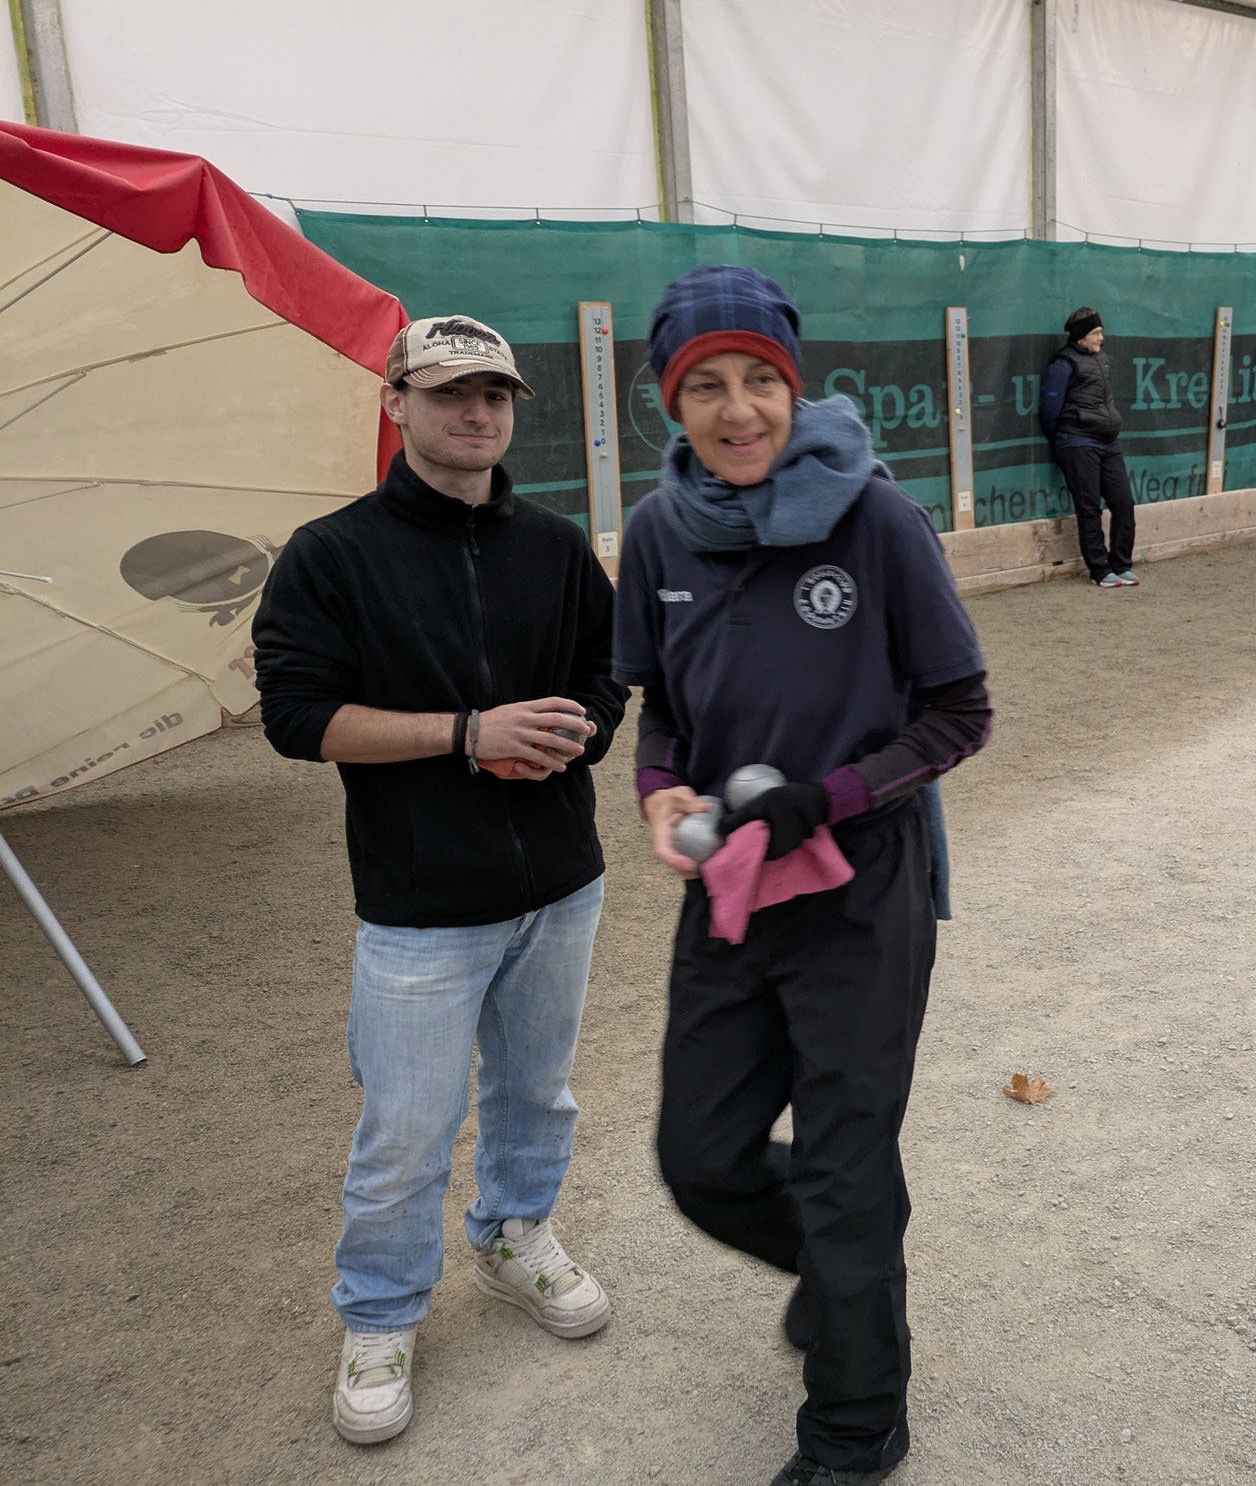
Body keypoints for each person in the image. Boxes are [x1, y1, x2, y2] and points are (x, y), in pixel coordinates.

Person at [615, 265, 993, 1486]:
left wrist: (825, 797)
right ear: (669, 403)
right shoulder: (658, 528)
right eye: (705, 387)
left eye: (759, 382)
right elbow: (662, 710)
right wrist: (659, 786)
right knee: (701, 1156)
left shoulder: (876, 518)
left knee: (842, 1168)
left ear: (794, 385)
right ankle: (839, 1285)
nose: (737, 411)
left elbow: (958, 714)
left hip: (858, 887)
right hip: (729, 885)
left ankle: (854, 1427)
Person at [253, 315, 627, 1446]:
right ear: (395, 403)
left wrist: (573, 732)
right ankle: (379, 1314)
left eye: (495, 395)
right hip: (421, 905)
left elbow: (605, 672)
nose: (477, 413)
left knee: (537, 1094)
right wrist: (467, 733)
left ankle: (514, 1236)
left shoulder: (555, 545)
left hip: (560, 883)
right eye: (450, 392)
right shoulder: (331, 553)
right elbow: (297, 717)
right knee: (407, 1128)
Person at [1039, 305, 1138, 587]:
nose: (1100, 338)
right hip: (1077, 443)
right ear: (1080, 336)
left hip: (1109, 442)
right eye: (1095, 332)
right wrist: (1065, 440)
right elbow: (1049, 410)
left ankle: (1121, 564)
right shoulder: (1062, 364)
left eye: (1101, 331)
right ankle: (1100, 570)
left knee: (1124, 502)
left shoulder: (1102, 359)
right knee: (1089, 507)